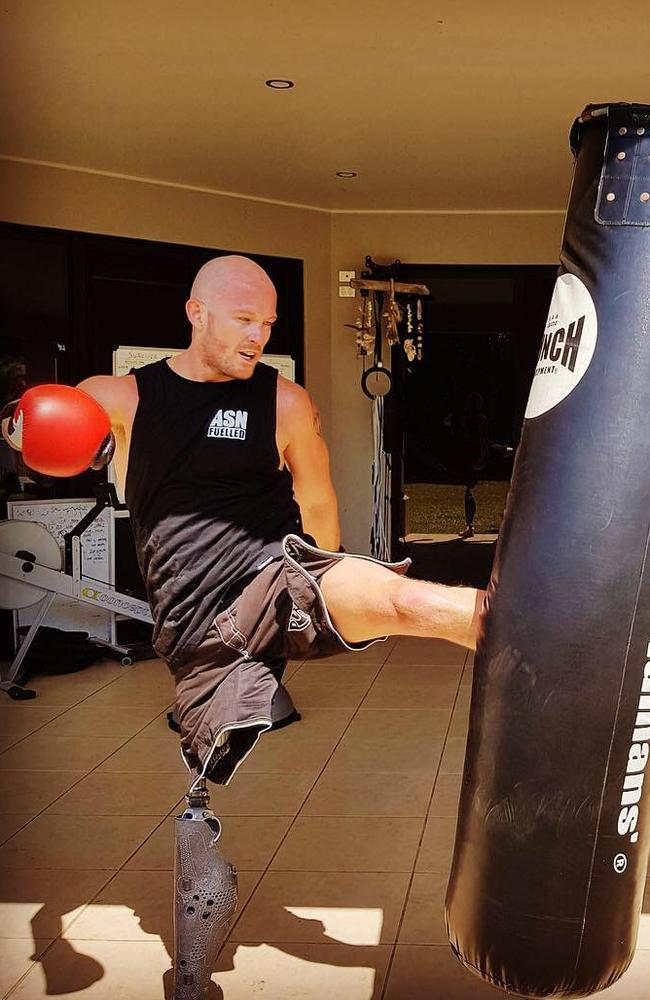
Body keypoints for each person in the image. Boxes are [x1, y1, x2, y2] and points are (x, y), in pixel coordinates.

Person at [4, 255, 484, 997]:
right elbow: (52, 415)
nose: (258, 334)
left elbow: (319, 505)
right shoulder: (128, 395)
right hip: (195, 623)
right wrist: (22, 427)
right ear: (196, 313)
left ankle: (551, 642)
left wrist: (339, 574)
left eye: (267, 322)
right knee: (206, 773)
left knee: (409, 602)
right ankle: (201, 909)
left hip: (278, 575)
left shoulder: (283, 402)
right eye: (243, 319)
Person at [447, 390, 491, 538]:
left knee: (470, 492)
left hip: (474, 459)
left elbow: (483, 440)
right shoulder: (466, 419)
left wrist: (482, 458)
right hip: (470, 459)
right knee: (469, 492)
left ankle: (469, 525)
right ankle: (469, 524)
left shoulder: (478, 419)